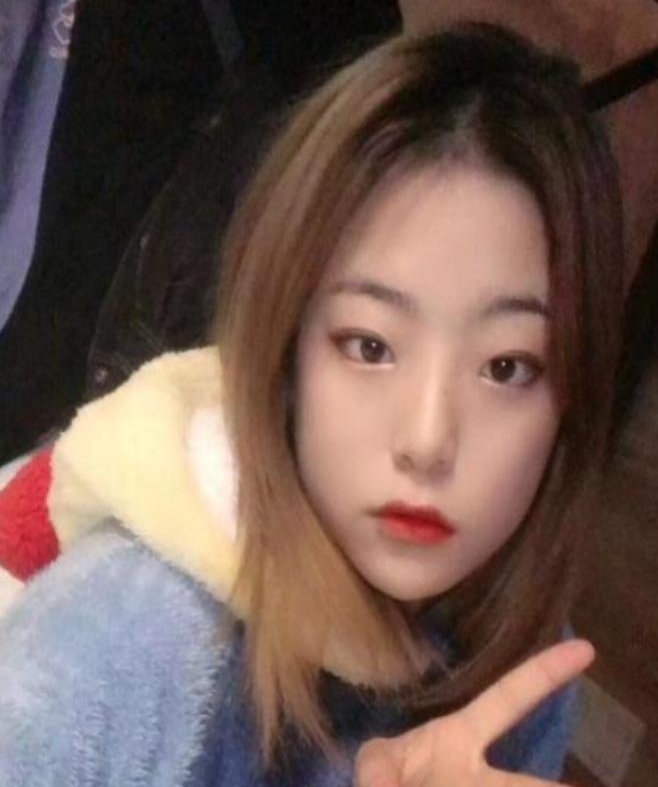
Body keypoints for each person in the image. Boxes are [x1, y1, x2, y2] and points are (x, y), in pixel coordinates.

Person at [0, 23, 623, 786]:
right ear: (286, 351)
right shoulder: (126, 640)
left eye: (505, 367)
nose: (427, 439)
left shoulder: (524, 673)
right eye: (369, 346)